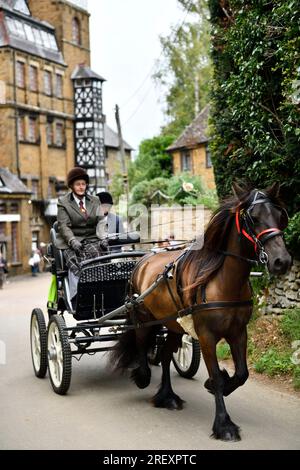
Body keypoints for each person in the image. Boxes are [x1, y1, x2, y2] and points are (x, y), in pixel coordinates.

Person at [55, 167, 107, 304]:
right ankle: (77, 296)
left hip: (91, 239)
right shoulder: (63, 202)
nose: (81, 187)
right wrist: (72, 241)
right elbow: (63, 226)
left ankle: (101, 291)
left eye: (83, 184)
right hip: (71, 241)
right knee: (77, 261)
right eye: (78, 184)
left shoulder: (95, 200)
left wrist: (103, 238)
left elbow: (101, 221)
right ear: (71, 185)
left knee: (101, 255)